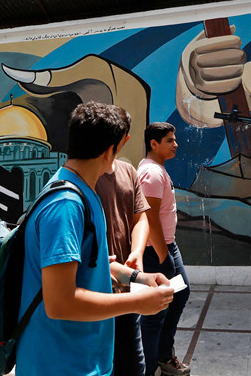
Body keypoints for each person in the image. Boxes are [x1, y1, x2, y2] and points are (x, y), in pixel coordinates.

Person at [16, 102, 173, 376]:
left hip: (84, 357)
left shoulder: (82, 191)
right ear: (110, 150)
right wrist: (138, 303)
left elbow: (88, 264)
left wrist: (137, 278)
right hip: (60, 364)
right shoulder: (66, 205)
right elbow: (60, 303)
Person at [96, 106, 153, 376]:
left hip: (126, 287)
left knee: (133, 365)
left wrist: (137, 253)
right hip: (96, 291)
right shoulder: (81, 178)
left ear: (125, 138)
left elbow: (141, 218)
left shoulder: (128, 171)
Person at [138, 122, 191, 376]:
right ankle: (149, 368)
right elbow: (149, 218)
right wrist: (163, 256)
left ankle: (162, 355)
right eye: (169, 140)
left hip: (167, 247)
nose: (175, 144)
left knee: (180, 293)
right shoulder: (152, 173)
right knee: (154, 313)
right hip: (156, 251)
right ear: (154, 144)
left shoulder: (156, 169)